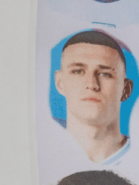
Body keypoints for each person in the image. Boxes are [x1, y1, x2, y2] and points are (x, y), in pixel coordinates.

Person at [53, 30, 133, 164]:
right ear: (60, 82)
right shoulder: (42, 153)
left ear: (126, 89)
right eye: (78, 71)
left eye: (105, 74)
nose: (91, 84)